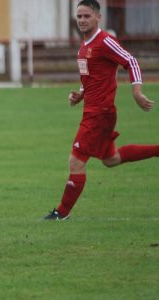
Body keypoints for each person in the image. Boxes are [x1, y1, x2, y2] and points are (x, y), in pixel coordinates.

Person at [45, 0, 158, 220]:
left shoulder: (105, 41)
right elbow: (91, 78)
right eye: (79, 16)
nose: (82, 20)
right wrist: (80, 94)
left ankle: (61, 213)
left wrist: (137, 91)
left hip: (100, 114)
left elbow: (131, 61)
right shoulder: (85, 45)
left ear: (98, 17)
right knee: (111, 159)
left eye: (87, 16)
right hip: (93, 111)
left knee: (76, 160)